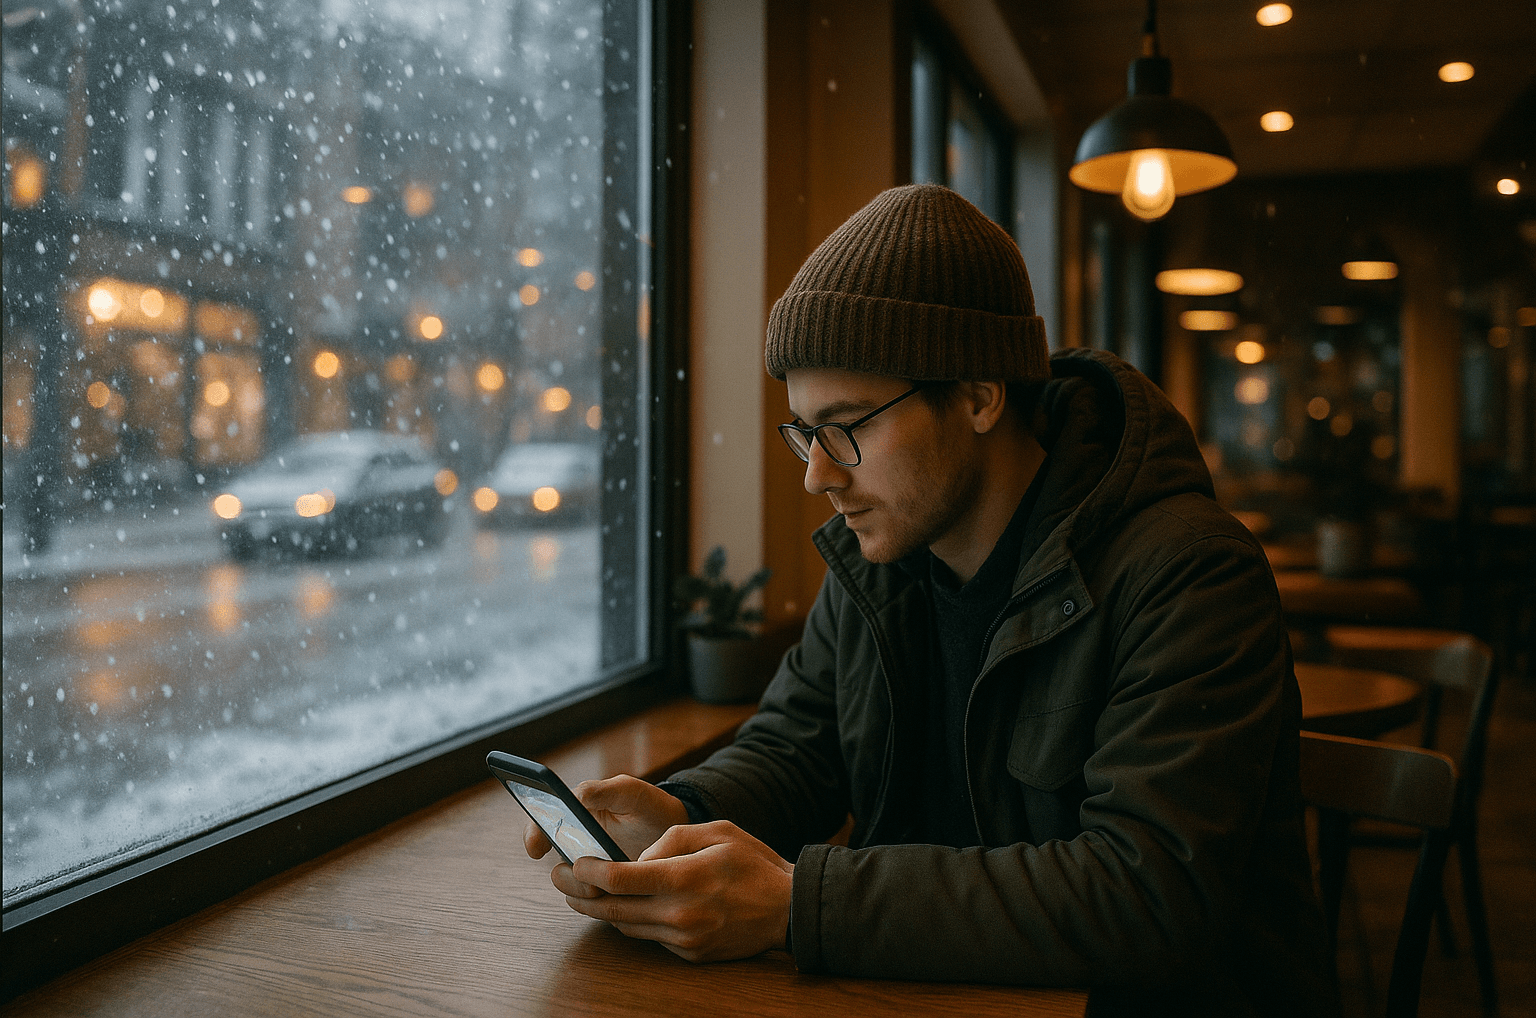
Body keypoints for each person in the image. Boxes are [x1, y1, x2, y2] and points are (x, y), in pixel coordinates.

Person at [524, 184, 1338, 1015]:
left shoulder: (1190, 572)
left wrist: (800, 901)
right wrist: (680, 813)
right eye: (803, 432)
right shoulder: (883, 558)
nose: (818, 474)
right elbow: (799, 748)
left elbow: (1146, 893)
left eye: (847, 427)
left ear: (981, 394)